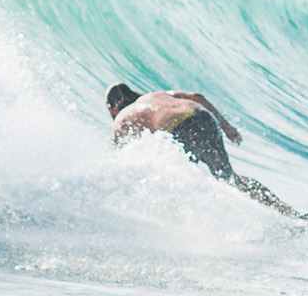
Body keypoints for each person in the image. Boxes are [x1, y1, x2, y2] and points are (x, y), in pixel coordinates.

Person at [103, 83, 297, 216]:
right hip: (203, 118)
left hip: (180, 130)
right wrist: (226, 126)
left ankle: (207, 233)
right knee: (230, 179)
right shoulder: (157, 95)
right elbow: (197, 97)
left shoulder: (123, 117)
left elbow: (116, 156)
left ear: (112, 108)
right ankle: (289, 212)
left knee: (179, 184)